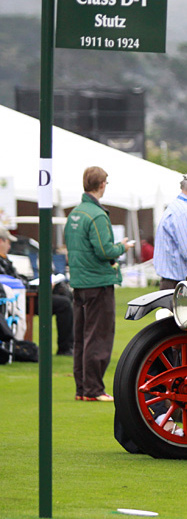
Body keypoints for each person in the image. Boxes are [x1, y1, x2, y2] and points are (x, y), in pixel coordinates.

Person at [65, 167, 129, 401]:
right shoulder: (97, 215)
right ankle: (94, 390)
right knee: (98, 336)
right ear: (102, 184)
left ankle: (82, 389)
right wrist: (123, 246)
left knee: (81, 336)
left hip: (79, 282)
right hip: (98, 282)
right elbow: (105, 251)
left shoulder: (75, 213)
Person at [0, 226, 74, 356]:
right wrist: (39, 288)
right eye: (8, 242)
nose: (10, 245)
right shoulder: (2, 261)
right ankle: (66, 348)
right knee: (64, 304)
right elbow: (12, 284)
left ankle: (68, 347)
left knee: (64, 296)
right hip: (19, 301)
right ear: (1, 241)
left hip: (24, 297)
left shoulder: (5, 259)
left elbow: (18, 279)